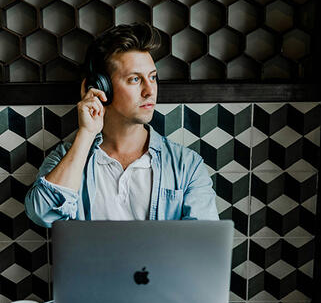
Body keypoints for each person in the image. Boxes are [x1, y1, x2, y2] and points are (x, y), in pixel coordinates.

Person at [25, 23, 219, 228]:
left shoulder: (186, 165)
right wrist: (86, 134)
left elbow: (201, 248)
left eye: (152, 77)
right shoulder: (67, 157)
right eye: (135, 79)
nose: (149, 91)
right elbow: (42, 214)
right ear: (101, 87)